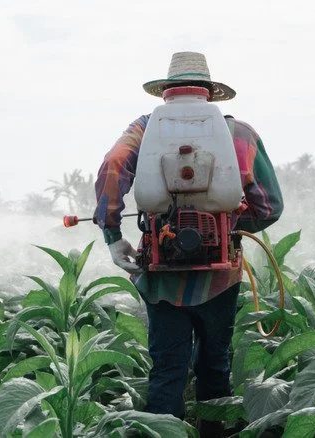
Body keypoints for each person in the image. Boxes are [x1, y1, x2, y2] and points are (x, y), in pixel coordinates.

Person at [93, 51, 283, 436]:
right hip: (220, 276)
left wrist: (113, 236)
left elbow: (113, 165)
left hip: (161, 274)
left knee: (168, 368)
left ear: (166, 93)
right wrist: (226, 224)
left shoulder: (145, 129)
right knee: (215, 366)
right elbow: (270, 206)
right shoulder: (240, 134)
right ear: (210, 94)